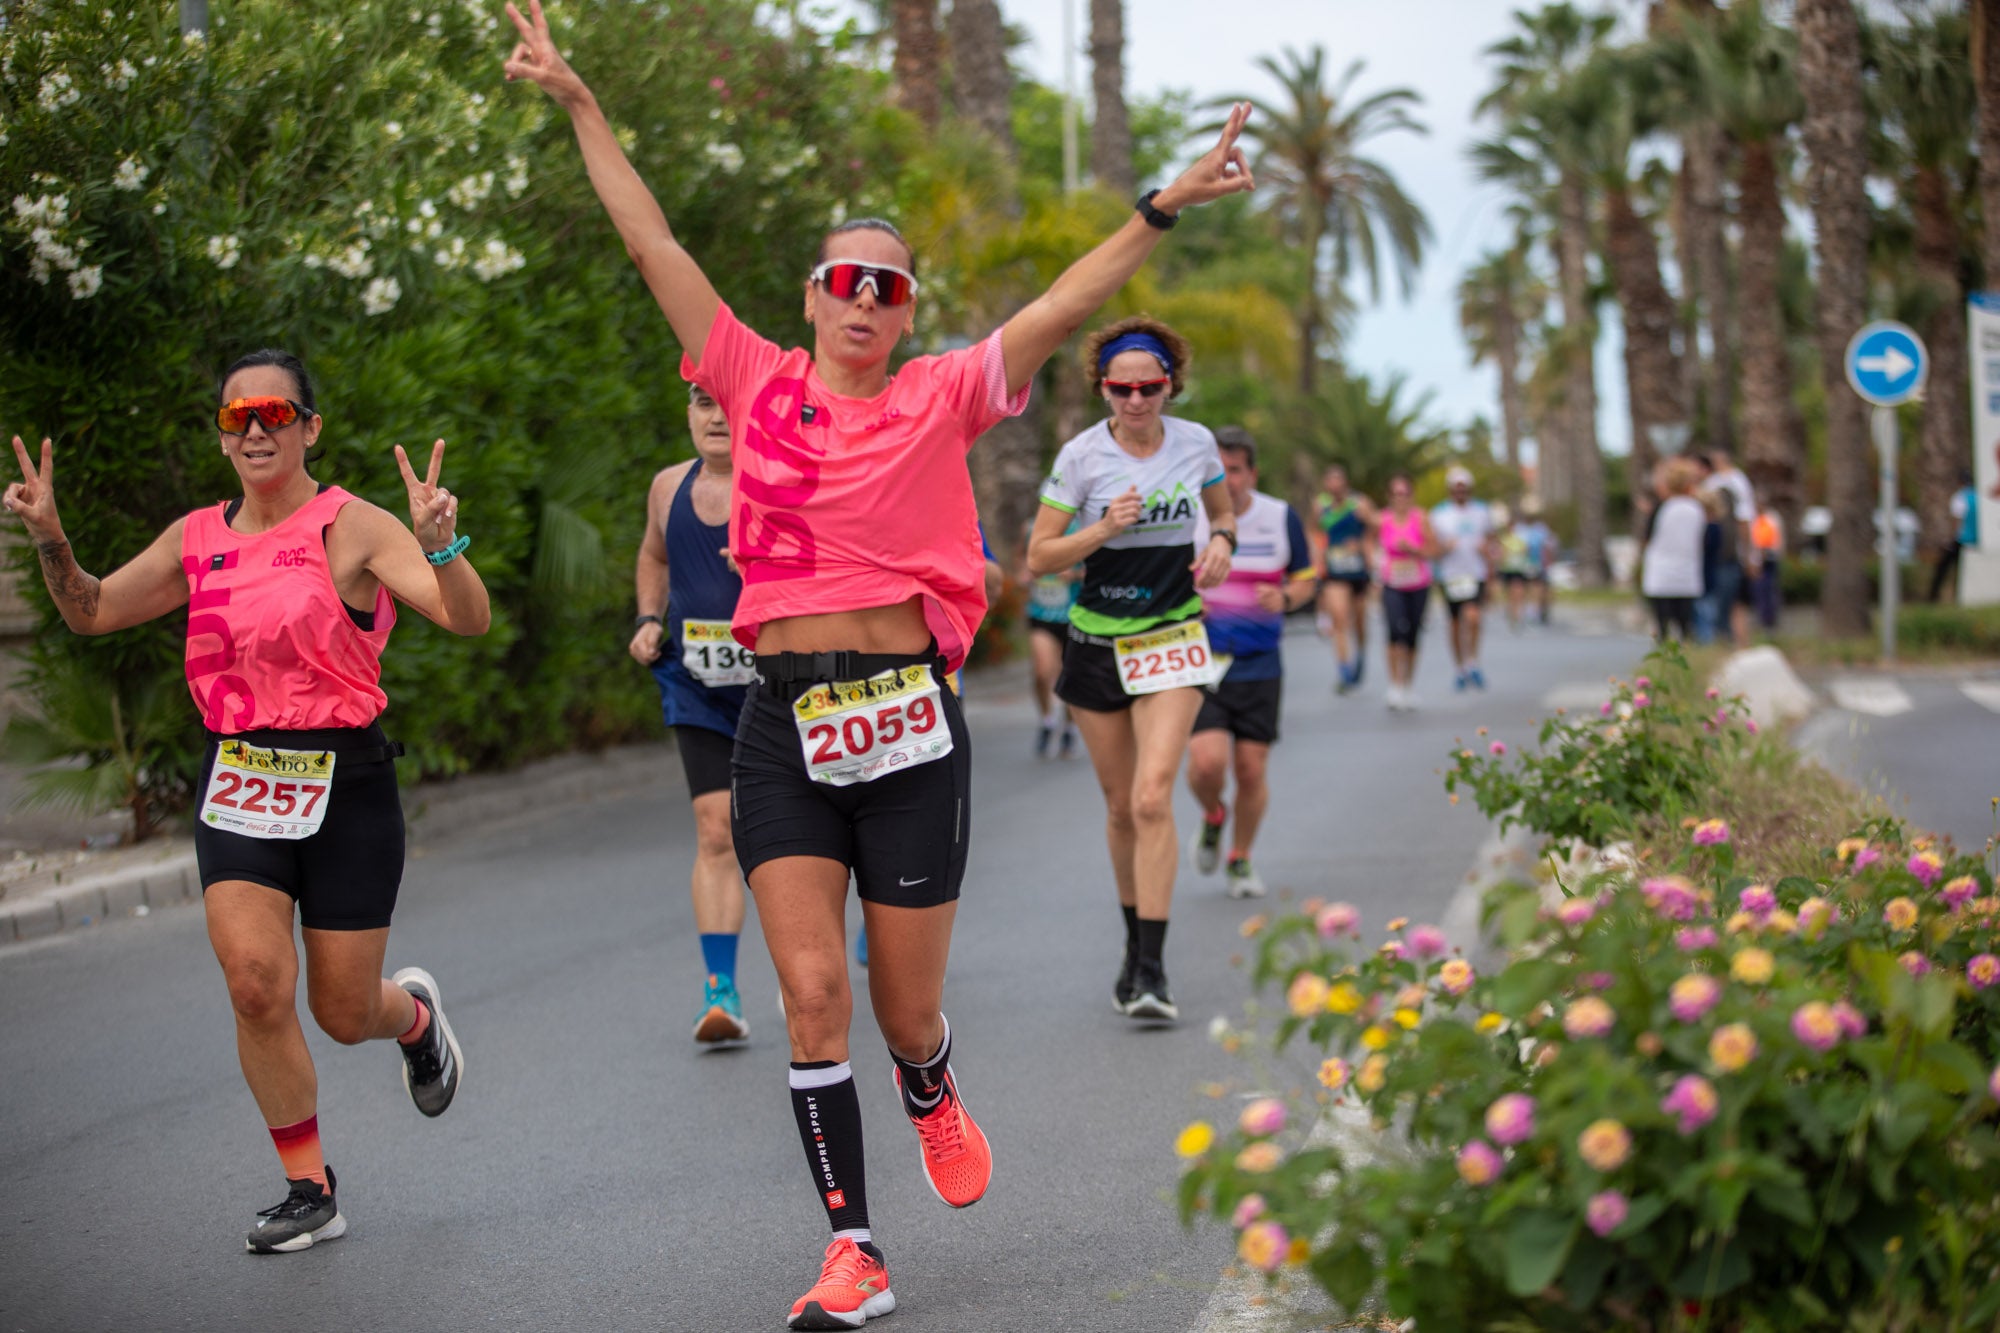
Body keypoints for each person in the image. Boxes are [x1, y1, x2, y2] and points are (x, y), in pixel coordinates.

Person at [504, 4, 1253, 1323]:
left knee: (905, 1014)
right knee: (810, 996)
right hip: (780, 724)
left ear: (909, 313)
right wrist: (579, 104)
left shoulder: (945, 394)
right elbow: (651, 240)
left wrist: (1157, 208)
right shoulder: (750, 380)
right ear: (808, 298)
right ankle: (854, 1246)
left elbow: (1067, 302)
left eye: (887, 287)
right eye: (842, 281)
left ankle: (929, 1079)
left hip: (909, 729)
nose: (862, 300)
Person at [4, 349, 489, 1253]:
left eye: (274, 413)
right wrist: (50, 538)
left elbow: (467, 618)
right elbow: (93, 609)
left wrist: (439, 545)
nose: (255, 430)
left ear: (310, 427)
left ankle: (413, 1018)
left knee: (345, 1013)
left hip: (345, 781)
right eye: (237, 418)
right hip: (238, 778)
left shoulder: (353, 525)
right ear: (223, 436)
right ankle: (310, 1187)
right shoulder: (196, 537)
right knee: (256, 984)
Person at [1028, 315, 1235, 1025]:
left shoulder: (1198, 442)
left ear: (1171, 384)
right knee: (1120, 808)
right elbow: (1040, 556)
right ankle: (1131, 943)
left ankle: (1153, 967)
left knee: (1152, 797)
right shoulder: (1082, 456)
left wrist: (1224, 543)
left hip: (1172, 636)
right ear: (1103, 388)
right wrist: (1101, 529)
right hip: (1096, 643)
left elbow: (1221, 509)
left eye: (1151, 387)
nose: (1138, 401)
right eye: (1123, 389)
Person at [630, 382, 755, 1047]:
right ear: (689, 413)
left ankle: (833, 963)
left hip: (781, 690)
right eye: (704, 403)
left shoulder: (783, 488)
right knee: (715, 832)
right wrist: (650, 618)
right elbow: (655, 554)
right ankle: (722, 990)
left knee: (804, 842)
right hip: (696, 683)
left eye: (730, 404)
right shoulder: (667, 487)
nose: (717, 417)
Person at [1184, 429, 1315, 900]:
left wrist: (1285, 596)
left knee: (1251, 771)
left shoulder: (1280, 517)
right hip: (1200, 662)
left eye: (1235, 470)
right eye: (1217, 471)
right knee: (1206, 764)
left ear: (1251, 473)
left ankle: (1239, 859)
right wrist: (1184, 603)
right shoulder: (1189, 519)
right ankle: (1214, 814)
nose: (1228, 480)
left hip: (1260, 663)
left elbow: (1305, 579)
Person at [1430, 465, 1498, 690]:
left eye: (1464, 488)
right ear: (1450, 490)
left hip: (1474, 573)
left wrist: (1489, 559)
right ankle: (1459, 667)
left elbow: (1492, 542)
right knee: (1455, 623)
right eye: (1456, 488)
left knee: (1474, 617)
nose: (1460, 492)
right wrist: (1443, 548)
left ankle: (1473, 662)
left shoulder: (1481, 511)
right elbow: (1430, 548)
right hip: (1450, 576)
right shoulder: (1439, 514)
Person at [1376, 474, 1437, 712]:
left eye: (1405, 493)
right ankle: (1394, 685)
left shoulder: (1421, 518)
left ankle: (1408, 685)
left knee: (1412, 635)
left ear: (1411, 496)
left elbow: (1434, 549)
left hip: (1418, 582)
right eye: (1396, 494)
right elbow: (1370, 543)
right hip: (1392, 582)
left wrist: (1414, 548)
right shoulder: (1383, 519)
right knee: (1393, 631)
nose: (1400, 498)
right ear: (1390, 497)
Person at [1021, 516, 1080, 758]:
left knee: (1071, 678)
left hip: (1074, 616)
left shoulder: (1082, 528)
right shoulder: (1031, 528)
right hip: (1041, 614)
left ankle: (1068, 727)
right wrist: (1024, 575)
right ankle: (1047, 721)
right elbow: (1021, 562)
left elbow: (1102, 570)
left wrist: (1074, 575)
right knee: (1041, 671)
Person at [1313, 464, 1375, 693]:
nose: (1335, 486)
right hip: (1334, 569)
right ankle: (1344, 669)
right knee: (1339, 617)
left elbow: (1375, 528)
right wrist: (1317, 556)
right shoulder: (1321, 506)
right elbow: (1314, 531)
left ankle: (1360, 653)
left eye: (1339, 480)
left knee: (1359, 620)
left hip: (1357, 569)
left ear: (1345, 483)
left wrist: (1362, 545)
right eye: (1331, 481)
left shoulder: (1359, 504)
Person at [1641, 458, 1705, 641]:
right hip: (1688, 575)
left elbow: (1648, 539)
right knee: (1686, 628)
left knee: (1663, 630)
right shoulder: (1696, 509)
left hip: (1660, 576)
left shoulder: (1661, 508)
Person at [1696, 448, 1754, 647]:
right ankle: (1735, 644)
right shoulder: (1726, 483)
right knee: (1730, 607)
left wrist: (1749, 556)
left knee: (1722, 610)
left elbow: (1744, 521)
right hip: (1725, 557)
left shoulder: (1730, 483)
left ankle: (1731, 645)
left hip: (1724, 557)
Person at [1930, 469, 1977, 604]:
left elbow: (1957, 520)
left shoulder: (1960, 497)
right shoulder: (1978, 496)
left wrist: (1951, 538)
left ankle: (1933, 597)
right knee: (1964, 571)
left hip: (1962, 539)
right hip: (1976, 541)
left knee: (1943, 568)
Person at [1517, 497, 1556, 625]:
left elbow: (1547, 546)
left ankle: (1536, 611)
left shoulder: (1541, 528)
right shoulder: (1519, 528)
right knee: (1523, 587)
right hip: (1523, 563)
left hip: (1538, 563)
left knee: (1538, 587)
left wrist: (1549, 561)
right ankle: (1524, 610)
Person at [1494, 505, 1533, 631]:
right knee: (1511, 594)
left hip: (1519, 569)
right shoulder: (1504, 539)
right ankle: (1512, 614)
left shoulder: (1522, 538)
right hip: (1508, 569)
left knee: (1519, 592)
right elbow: (1500, 554)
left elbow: (1526, 552)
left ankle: (1518, 615)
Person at [1750, 492, 1785, 630]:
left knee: (1768, 588)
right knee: (1760, 590)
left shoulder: (1770, 519)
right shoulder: (1756, 519)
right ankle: (1763, 617)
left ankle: (1769, 619)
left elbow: (1769, 541)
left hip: (1769, 558)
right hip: (1759, 559)